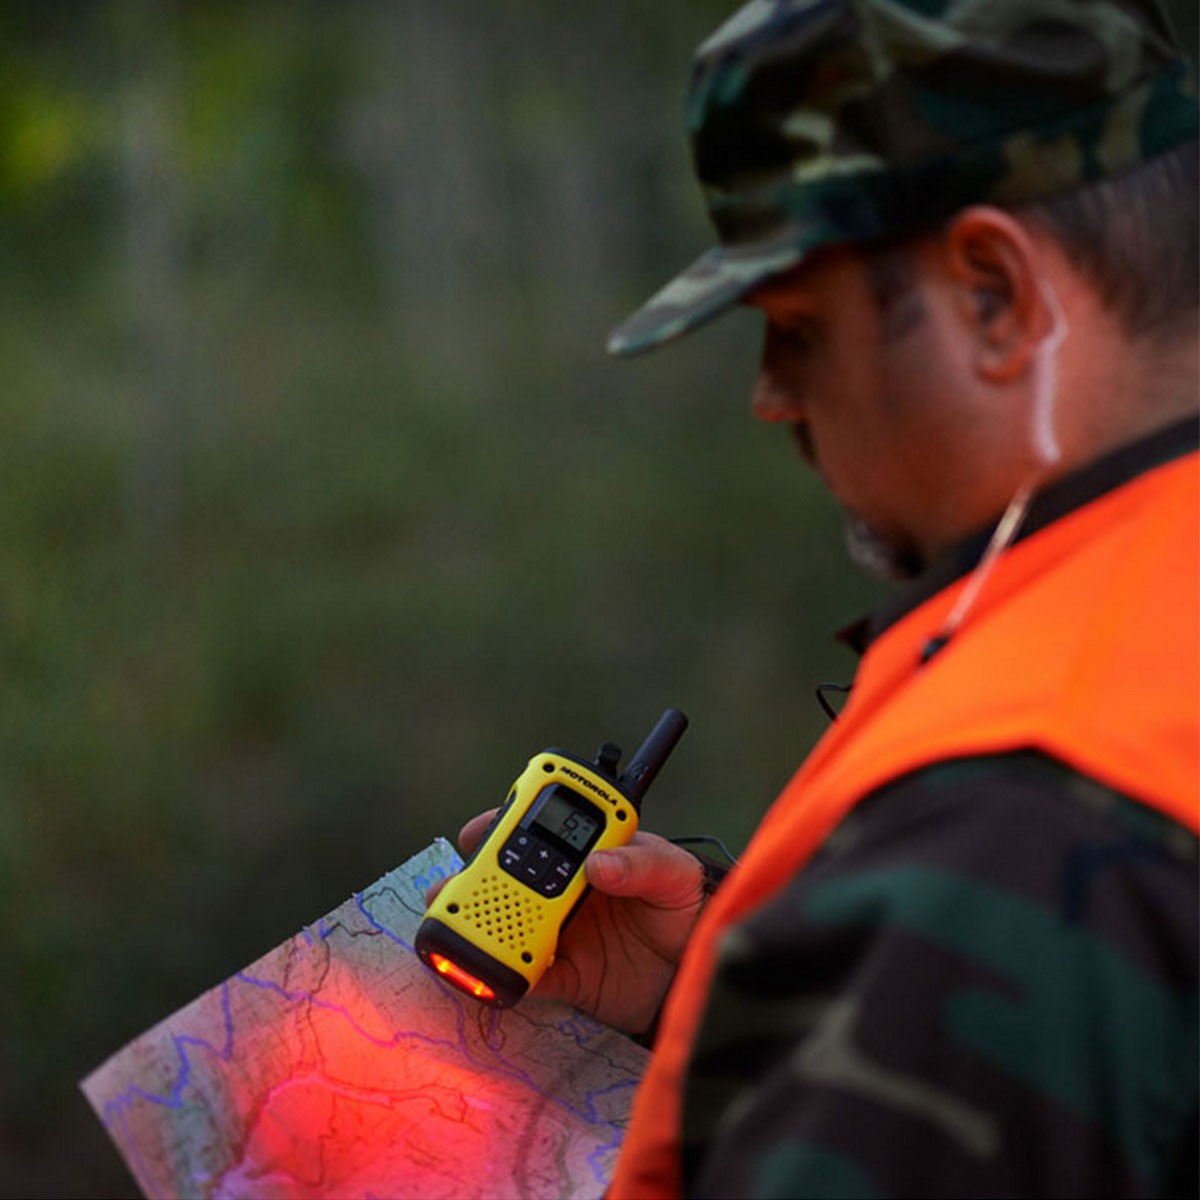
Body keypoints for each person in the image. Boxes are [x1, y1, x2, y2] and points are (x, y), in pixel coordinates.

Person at [451, 1, 1199, 1195]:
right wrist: (746, 1001)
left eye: (799, 329)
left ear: (995, 296)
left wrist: (860, 978)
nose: (772, 394)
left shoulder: (1008, 832)